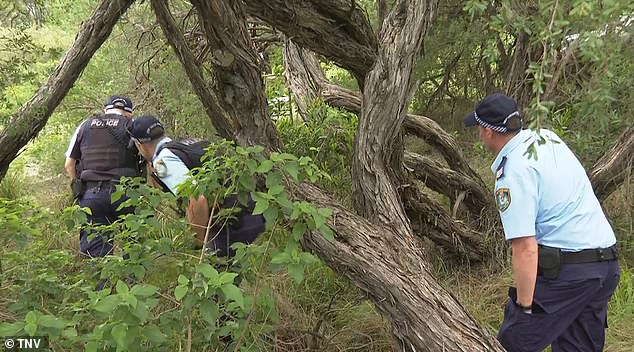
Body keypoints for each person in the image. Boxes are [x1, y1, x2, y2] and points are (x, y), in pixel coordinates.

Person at [464, 93, 620, 352]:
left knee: (513, 344)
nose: (479, 134)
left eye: (479, 128)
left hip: (570, 274)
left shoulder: (512, 172)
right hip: (606, 267)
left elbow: (525, 248)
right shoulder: (547, 138)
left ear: (488, 131)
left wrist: (525, 308)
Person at [127, 115, 265, 257]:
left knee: (215, 274)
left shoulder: (165, 160)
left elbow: (196, 199)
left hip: (232, 224)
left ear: (140, 145)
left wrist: (199, 243)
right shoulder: (190, 143)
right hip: (252, 211)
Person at [65, 95, 142, 258]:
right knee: (133, 249)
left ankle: (102, 283)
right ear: (129, 112)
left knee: (96, 256)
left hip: (91, 195)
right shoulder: (132, 125)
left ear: (105, 109)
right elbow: (146, 158)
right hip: (126, 194)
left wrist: (77, 186)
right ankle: (131, 282)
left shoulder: (84, 126)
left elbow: (69, 165)